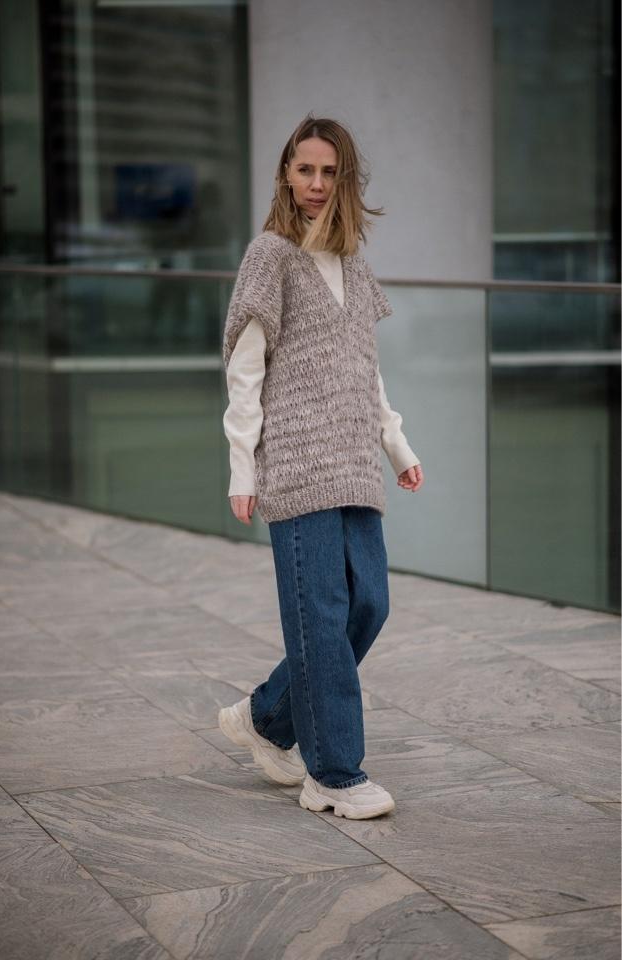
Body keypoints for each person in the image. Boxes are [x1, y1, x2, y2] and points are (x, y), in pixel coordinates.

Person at [218, 114, 424, 820]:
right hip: (296, 465)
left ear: (345, 181)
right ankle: (333, 775)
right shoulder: (269, 256)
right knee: (322, 613)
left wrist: (396, 445)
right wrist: (242, 468)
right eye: (304, 169)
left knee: (369, 604)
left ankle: (265, 719)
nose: (315, 183)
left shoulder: (354, 265)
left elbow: (365, 370)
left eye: (328, 172)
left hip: (354, 462)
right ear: (285, 173)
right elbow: (244, 370)